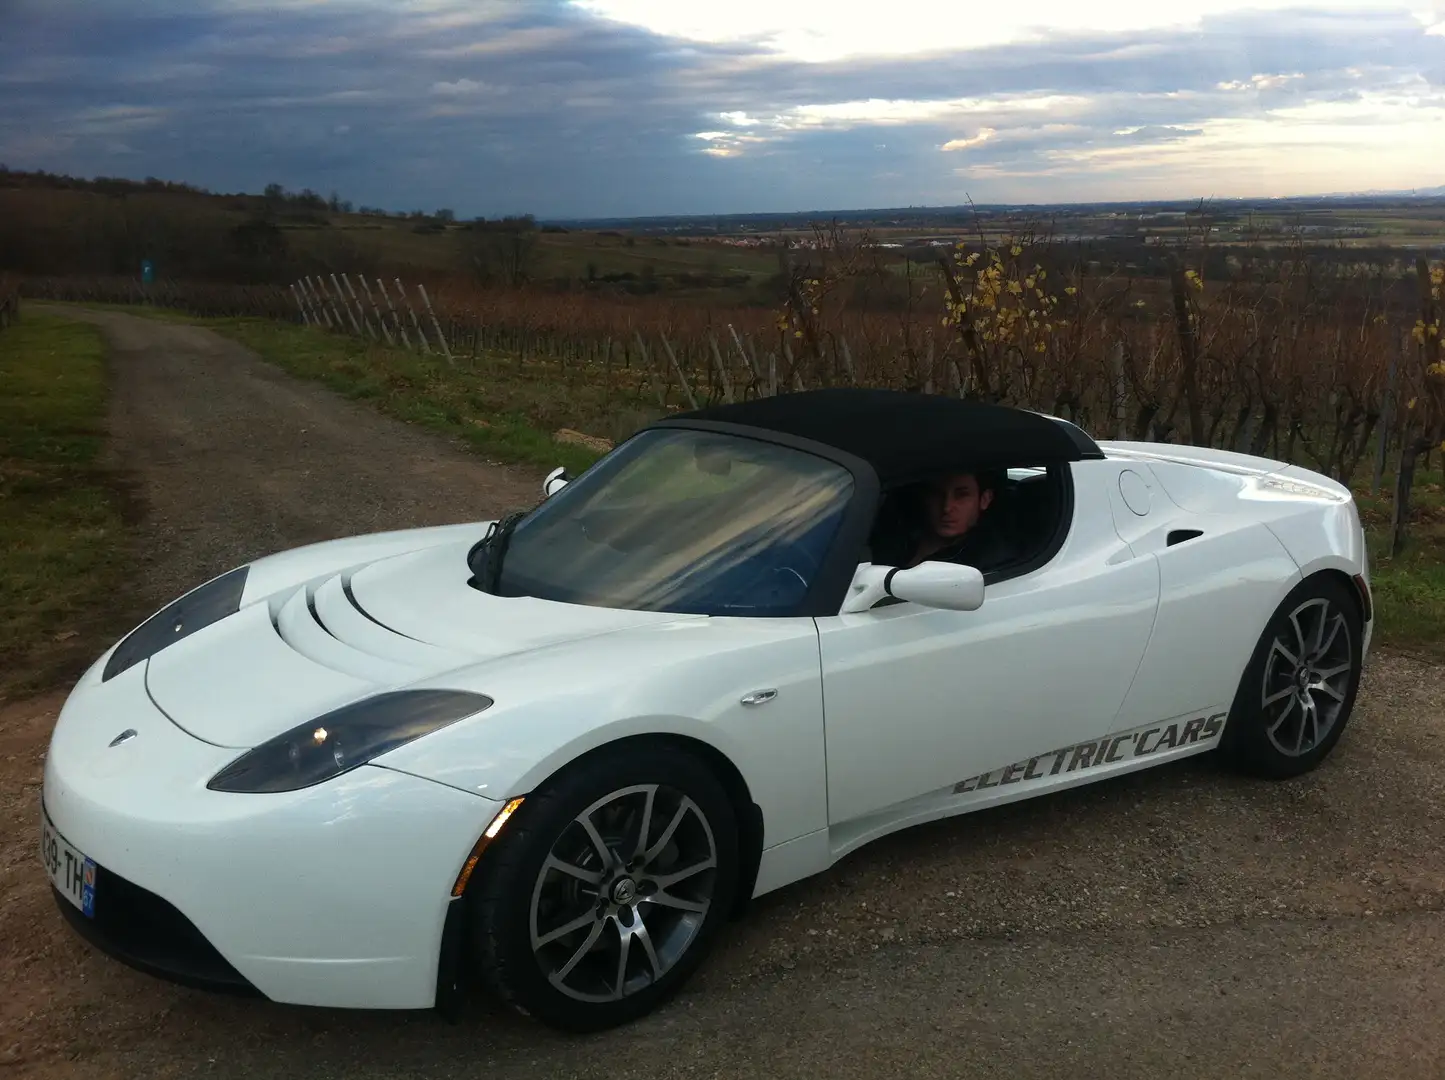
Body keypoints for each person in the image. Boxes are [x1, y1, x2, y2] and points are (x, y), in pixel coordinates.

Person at [871, 469, 1017, 572]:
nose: (947, 507)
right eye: (937, 494)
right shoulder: (896, 532)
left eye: (961, 495)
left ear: (985, 500)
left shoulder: (988, 558)